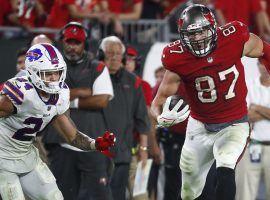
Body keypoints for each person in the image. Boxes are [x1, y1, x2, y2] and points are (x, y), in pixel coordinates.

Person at [151, 4, 270, 200]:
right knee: (189, 191)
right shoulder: (177, 58)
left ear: (214, 29)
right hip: (199, 125)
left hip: (234, 123)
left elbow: (265, 50)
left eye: (202, 32)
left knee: (226, 163)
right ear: (182, 36)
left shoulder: (233, 38)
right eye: (192, 34)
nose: (197, 39)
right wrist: (161, 117)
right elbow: (158, 101)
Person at [0, 43, 115, 200]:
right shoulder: (20, 93)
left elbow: (72, 136)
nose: (54, 78)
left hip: (26, 156)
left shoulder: (60, 95)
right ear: (33, 73)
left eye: (57, 72)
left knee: (55, 197)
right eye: (47, 73)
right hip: (2, 160)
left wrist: (95, 144)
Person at [42, 22, 114, 200]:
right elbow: (46, 94)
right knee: (61, 196)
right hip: (60, 143)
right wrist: (83, 92)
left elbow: (101, 100)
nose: (72, 47)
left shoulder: (98, 67)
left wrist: (66, 100)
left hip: (92, 142)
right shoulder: (51, 68)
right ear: (62, 42)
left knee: (101, 195)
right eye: (69, 41)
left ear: (85, 44)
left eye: (77, 42)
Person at [96, 36, 150, 200]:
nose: (113, 57)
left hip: (123, 152)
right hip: (96, 151)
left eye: (118, 54)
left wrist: (143, 149)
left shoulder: (133, 81)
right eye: (109, 53)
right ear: (101, 55)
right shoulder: (92, 77)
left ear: (123, 57)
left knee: (118, 195)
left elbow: (141, 118)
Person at [235, 57, 270, 200]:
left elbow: (250, 112)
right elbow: (243, 115)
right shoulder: (247, 85)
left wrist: (256, 107)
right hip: (250, 146)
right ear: (258, 65)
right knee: (244, 194)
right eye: (264, 64)